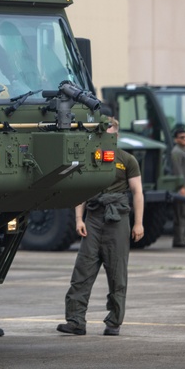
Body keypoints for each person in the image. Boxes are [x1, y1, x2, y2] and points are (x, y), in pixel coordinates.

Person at [57, 117, 144, 336]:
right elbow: (81, 190)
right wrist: (79, 219)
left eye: (111, 133)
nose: (108, 137)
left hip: (117, 218)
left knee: (117, 272)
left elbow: (137, 192)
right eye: (104, 133)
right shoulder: (90, 158)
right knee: (83, 269)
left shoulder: (126, 160)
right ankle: (76, 320)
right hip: (94, 218)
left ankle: (114, 322)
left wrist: (138, 223)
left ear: (117, 135)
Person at [170, 126, 185, 248]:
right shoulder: (176, 152)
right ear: (176, 139)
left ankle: (183, 237)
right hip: (183, 186)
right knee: (180, 214)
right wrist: (181, 186)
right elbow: (177, 171)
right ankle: (179, 240)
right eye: (181, 137)